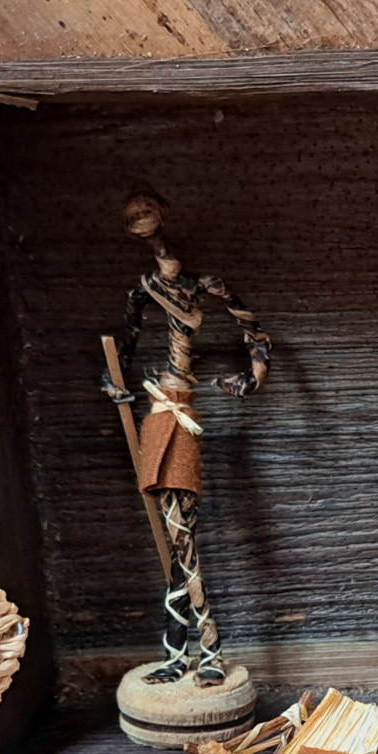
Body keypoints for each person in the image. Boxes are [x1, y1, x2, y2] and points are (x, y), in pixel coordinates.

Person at [101, 187, 271, 686]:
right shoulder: (142, 291)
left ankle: (201, 650)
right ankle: (186, 652)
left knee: (181, 538)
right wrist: (111, 381)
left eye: (147, 211)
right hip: (160, 413)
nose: (141, 218)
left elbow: (254, 330)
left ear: (163, 213)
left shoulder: (202, 286)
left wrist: (252, 377)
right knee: (178, 541)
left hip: (180, 414)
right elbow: (125, 346)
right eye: (133, 214)